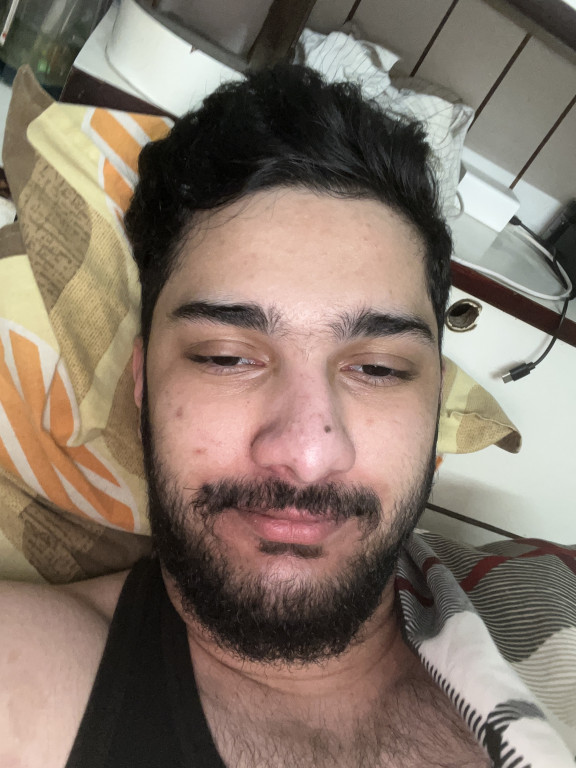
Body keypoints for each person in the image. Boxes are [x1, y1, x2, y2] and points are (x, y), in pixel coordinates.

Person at [1, 65, 574, 768]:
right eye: (225, 357)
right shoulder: (25, 680)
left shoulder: (554, 602)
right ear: (142, 382)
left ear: (435, 403)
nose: (306, 453)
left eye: (379, 369)